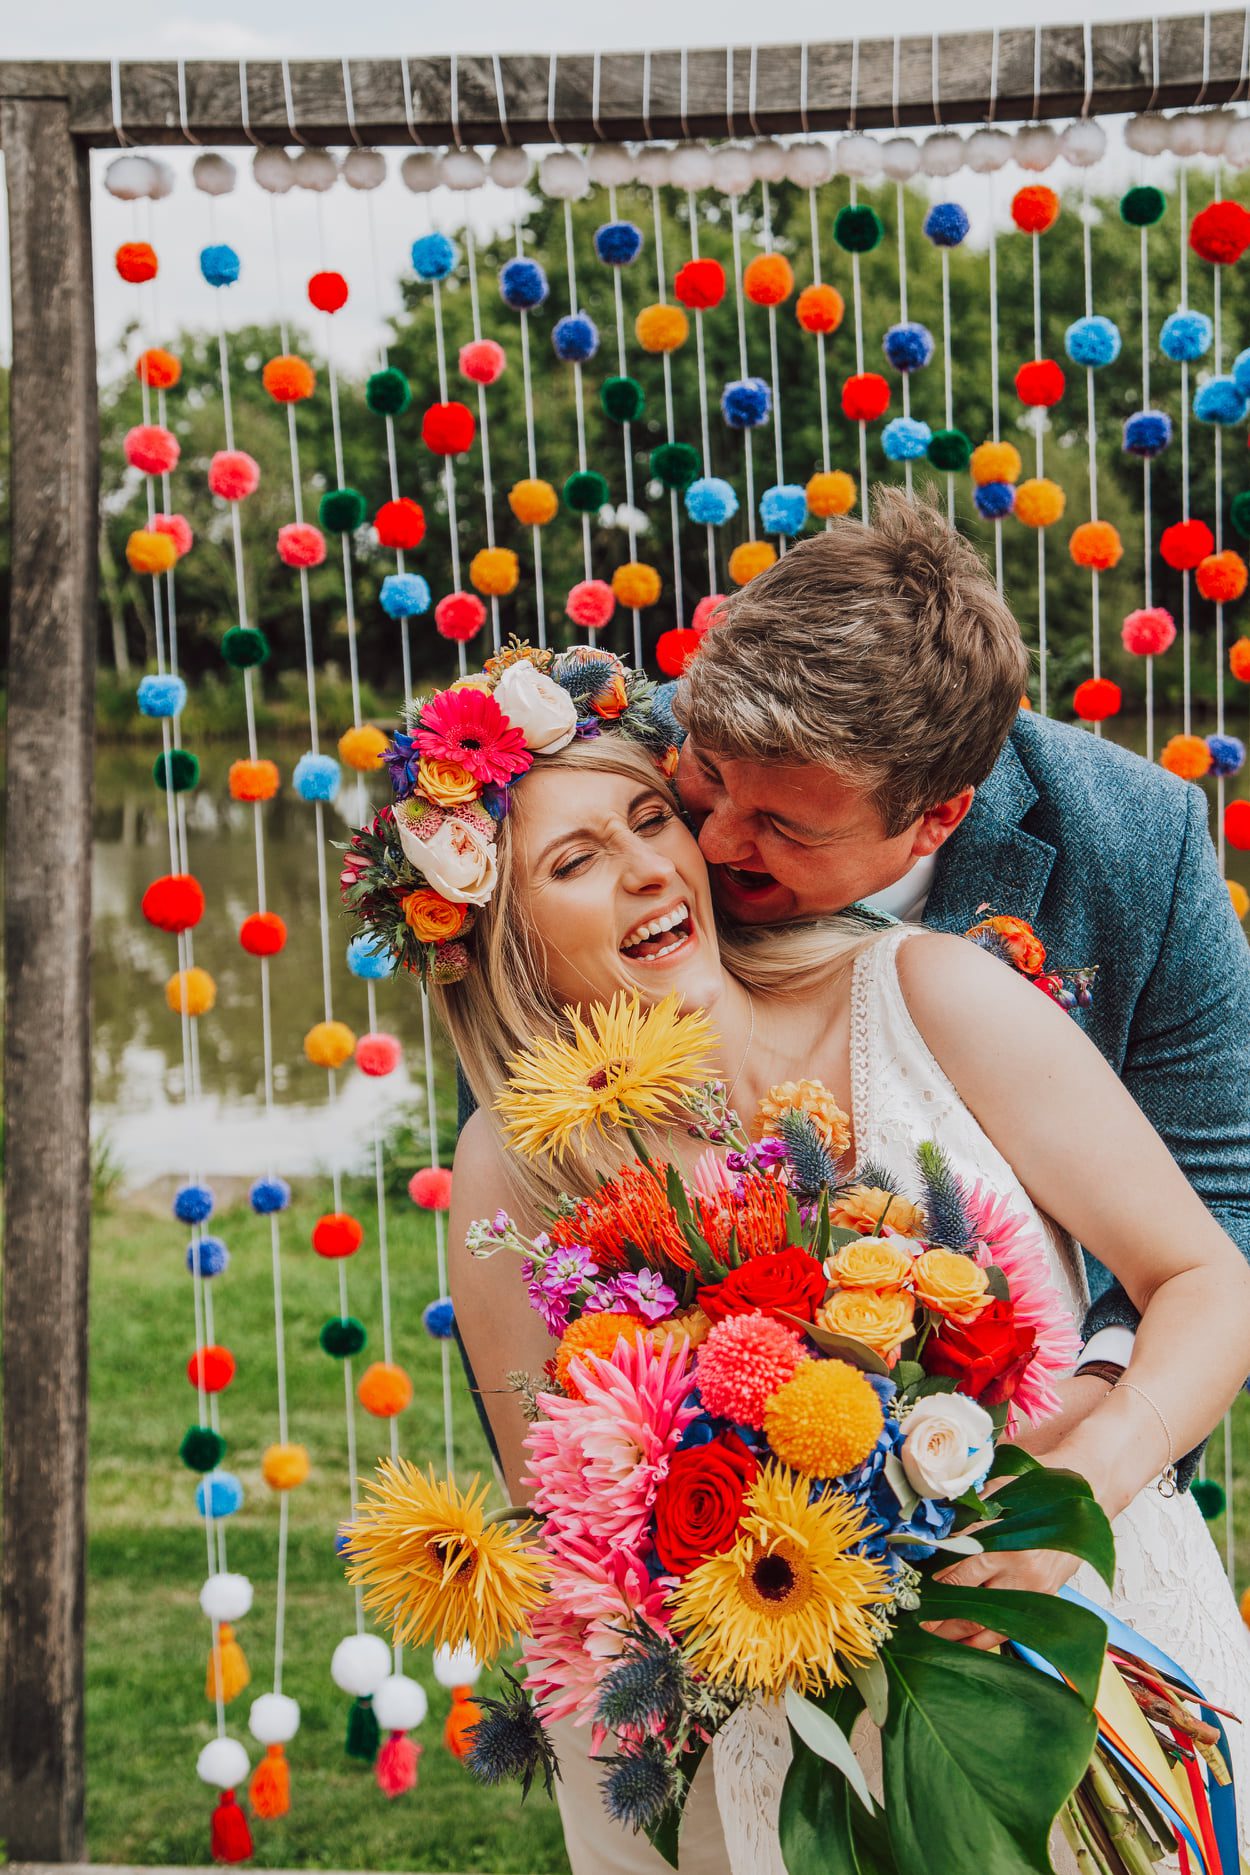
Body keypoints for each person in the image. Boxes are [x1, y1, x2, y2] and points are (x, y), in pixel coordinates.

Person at [437, 715, 1250, 1874]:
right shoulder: (514, 1165)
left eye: (651, 818)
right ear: (501, 940)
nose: (647, 868)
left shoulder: (927, 991)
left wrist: (1080, 1485)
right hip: (784, 1755)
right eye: (573, 863)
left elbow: (1206, 1278)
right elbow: (571, 1534)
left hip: (1094, 1640)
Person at [671, 489, 1250, 1471]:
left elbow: (1222, 1200)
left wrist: (1090, 1410)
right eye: (710, 772)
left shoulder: (1133, 845)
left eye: (786, 828)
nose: (715, 837)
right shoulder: (609, 780)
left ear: (934, 820)